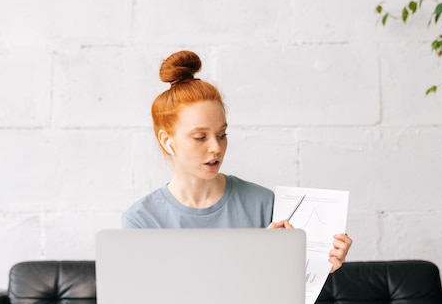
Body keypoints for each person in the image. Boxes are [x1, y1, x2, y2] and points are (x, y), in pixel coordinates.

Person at [121, 50, 352, 273]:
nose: (216, 147)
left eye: (222, 135)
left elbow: (284, 297)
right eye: (200, 137)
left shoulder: (264, 205)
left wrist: (319, 265)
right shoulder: (142, 220)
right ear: (167, 141)